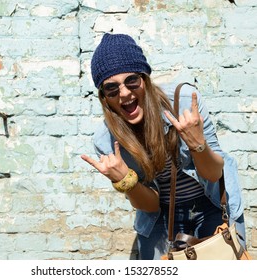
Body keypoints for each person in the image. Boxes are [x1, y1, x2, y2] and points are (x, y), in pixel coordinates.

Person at [81, 33, 246, 260]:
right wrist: (126, 183)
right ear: (104, 97)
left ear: (145, 79)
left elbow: (214, 173)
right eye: (112, 88)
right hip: (161, 218)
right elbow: (150, 205)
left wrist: (198, 145)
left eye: (132, 81)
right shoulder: (106, 141)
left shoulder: (186, 102)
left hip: (211, 204)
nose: (125, 93)